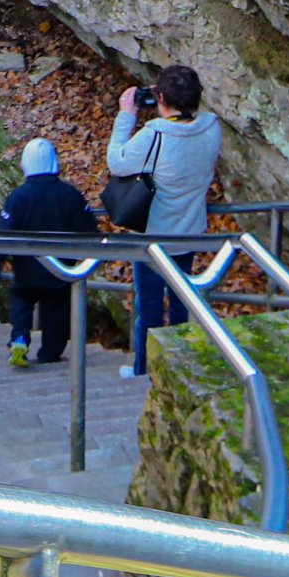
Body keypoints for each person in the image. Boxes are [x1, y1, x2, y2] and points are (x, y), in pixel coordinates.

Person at [106, 64, 221, 380]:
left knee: (150, 307)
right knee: (183, 302)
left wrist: (126, 115)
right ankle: (181, 368)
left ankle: (146, 368)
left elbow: (117, 162)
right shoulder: (212, 128)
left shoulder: (155, 134)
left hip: (155, 236)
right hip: (190, 232)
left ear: (160, 97)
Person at [0, 138, 94, 367]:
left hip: (26, 267)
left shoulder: (18, 197)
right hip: (60, 268)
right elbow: (89, 230)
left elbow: (2, 235)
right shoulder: (70, 195)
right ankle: (50, 352)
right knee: (56, 312)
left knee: (21, 303)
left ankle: (20, 337)